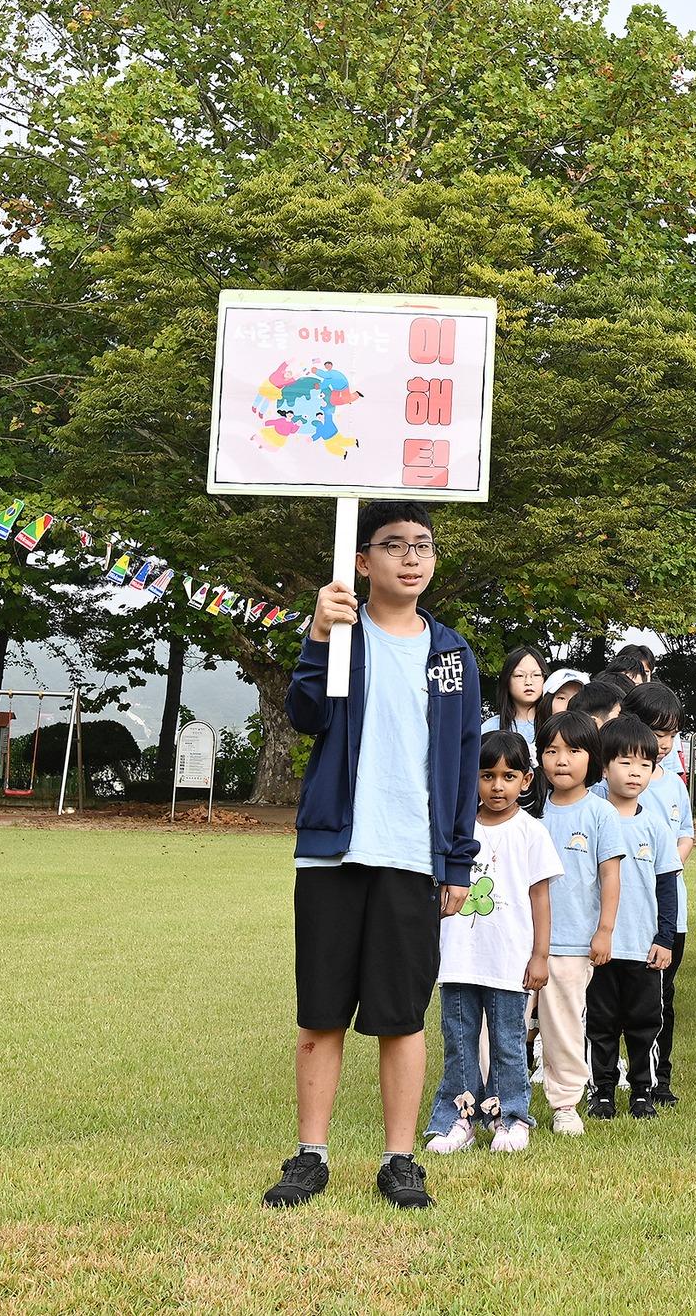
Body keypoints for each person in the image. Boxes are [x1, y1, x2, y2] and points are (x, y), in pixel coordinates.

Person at [264, 500, 480, 1213]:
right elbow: (306, 716)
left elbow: (463, 761)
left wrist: (456, 861)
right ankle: (310, 1155)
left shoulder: (452, 655)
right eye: (394, 545)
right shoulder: (341, 634)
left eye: (423, 545)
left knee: (401, 1014)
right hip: (334, 851)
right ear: (362, 561)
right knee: (322, 1010)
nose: (411, 558)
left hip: (413, 855)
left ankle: (399, 1159)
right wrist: (318, 634)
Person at [423, 731, 562, 1156]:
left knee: (507, 1043)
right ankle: (459, 1119)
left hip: (509, 962)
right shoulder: (456, 831)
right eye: (486, 776)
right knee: (459, 1043)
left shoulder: (531, 832)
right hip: (457, 961)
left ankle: (511, 1118)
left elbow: (541, 899)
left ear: (526, 780)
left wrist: (540, 956)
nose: (497, 786)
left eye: (508, 776)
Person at [532, 709, 627, 1137]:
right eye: (551, 751)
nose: (562, 760)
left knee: (564, 1026)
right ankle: (494, 1100)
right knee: (503, 1025)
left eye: (573, 750)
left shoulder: (601, 813)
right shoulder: (531, 811)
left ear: (593, 757)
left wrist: (604, 931)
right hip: (522, 940)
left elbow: (610, 877)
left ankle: (565, 1103)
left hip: (573, 943)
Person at [585, 715, 680, 1118]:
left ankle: (643, 1091)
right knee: (600, 1023)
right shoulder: (590, 817)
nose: (635, 772)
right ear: (604, 767)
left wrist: (665, 938)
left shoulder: (655, 826)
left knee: (644, 1023)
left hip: (643, 948)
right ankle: (602, 1091)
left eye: (644, 764)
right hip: (598, 947)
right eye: (625, 762)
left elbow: (667, 887)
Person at [623, 681, 694, 1106]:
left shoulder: (674, 785)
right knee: (613, 1000)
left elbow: (685, 834)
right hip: (623, 912)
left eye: (671, 734)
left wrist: (667, 864)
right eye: (656, 732)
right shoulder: (612, 782)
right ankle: (610, 1076)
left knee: (661, 999)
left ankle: (658, 1079)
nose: (664, 743)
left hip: (668, 912)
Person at [482, 646, 547, 747]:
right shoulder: (490, 728)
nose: (528, 682)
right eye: (519, 675)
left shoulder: (554, 723)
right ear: (507, 680)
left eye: (536, 675)